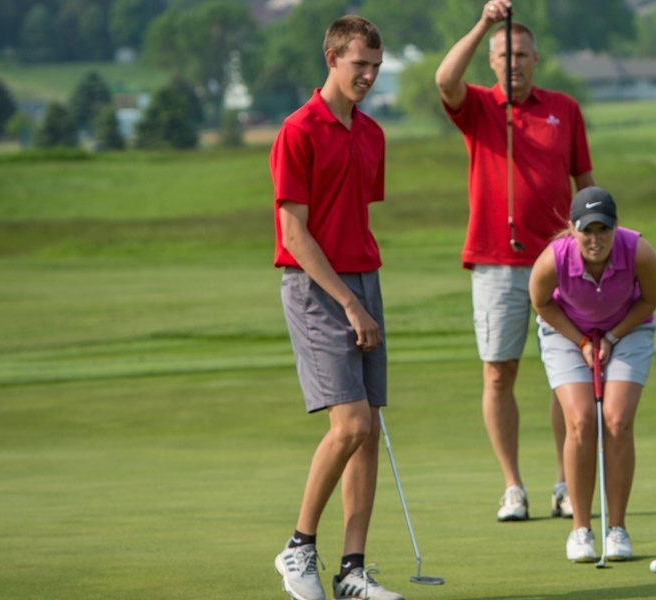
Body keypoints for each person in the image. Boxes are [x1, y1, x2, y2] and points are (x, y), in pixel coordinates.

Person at [435, 0, 595, 521]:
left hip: (559, 263)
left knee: (565, 374)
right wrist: (484, 23)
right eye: (503, 54)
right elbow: (444, 78)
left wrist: (595, 239)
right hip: (495, 261)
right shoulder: (478, 106)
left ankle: (564, 483)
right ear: (491, 58)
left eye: (521, 53)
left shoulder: (564, 109)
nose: (513, 62)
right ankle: (513, 487)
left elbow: (584, 184)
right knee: (498, 373)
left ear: (536, 58)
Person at [269, 16, 403, 600]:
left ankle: (352, 571)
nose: (369, 75)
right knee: (348, 424)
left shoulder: (372, 134)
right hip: (315, 287)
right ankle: (298, 548)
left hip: (362, 281)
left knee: (367, 431)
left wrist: (362, 296)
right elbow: (295, 235)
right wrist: (351, 305)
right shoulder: (297, 130)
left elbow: (356, 216)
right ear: (331, 57)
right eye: (359, 65)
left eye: (375, 65)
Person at [529, 186, 656, 562]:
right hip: (566, 333)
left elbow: (650, 300)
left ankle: (617, 528)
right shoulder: (553, 260)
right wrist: (584, 342)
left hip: (629, 329)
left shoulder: (638, 251)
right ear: (573, 230)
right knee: (582, 421)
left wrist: (611, 336)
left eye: (602, 229)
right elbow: (540, 303)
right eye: (587, 230)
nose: (595, 239)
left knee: (617, 420)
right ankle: (581, 530)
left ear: (615, 226)